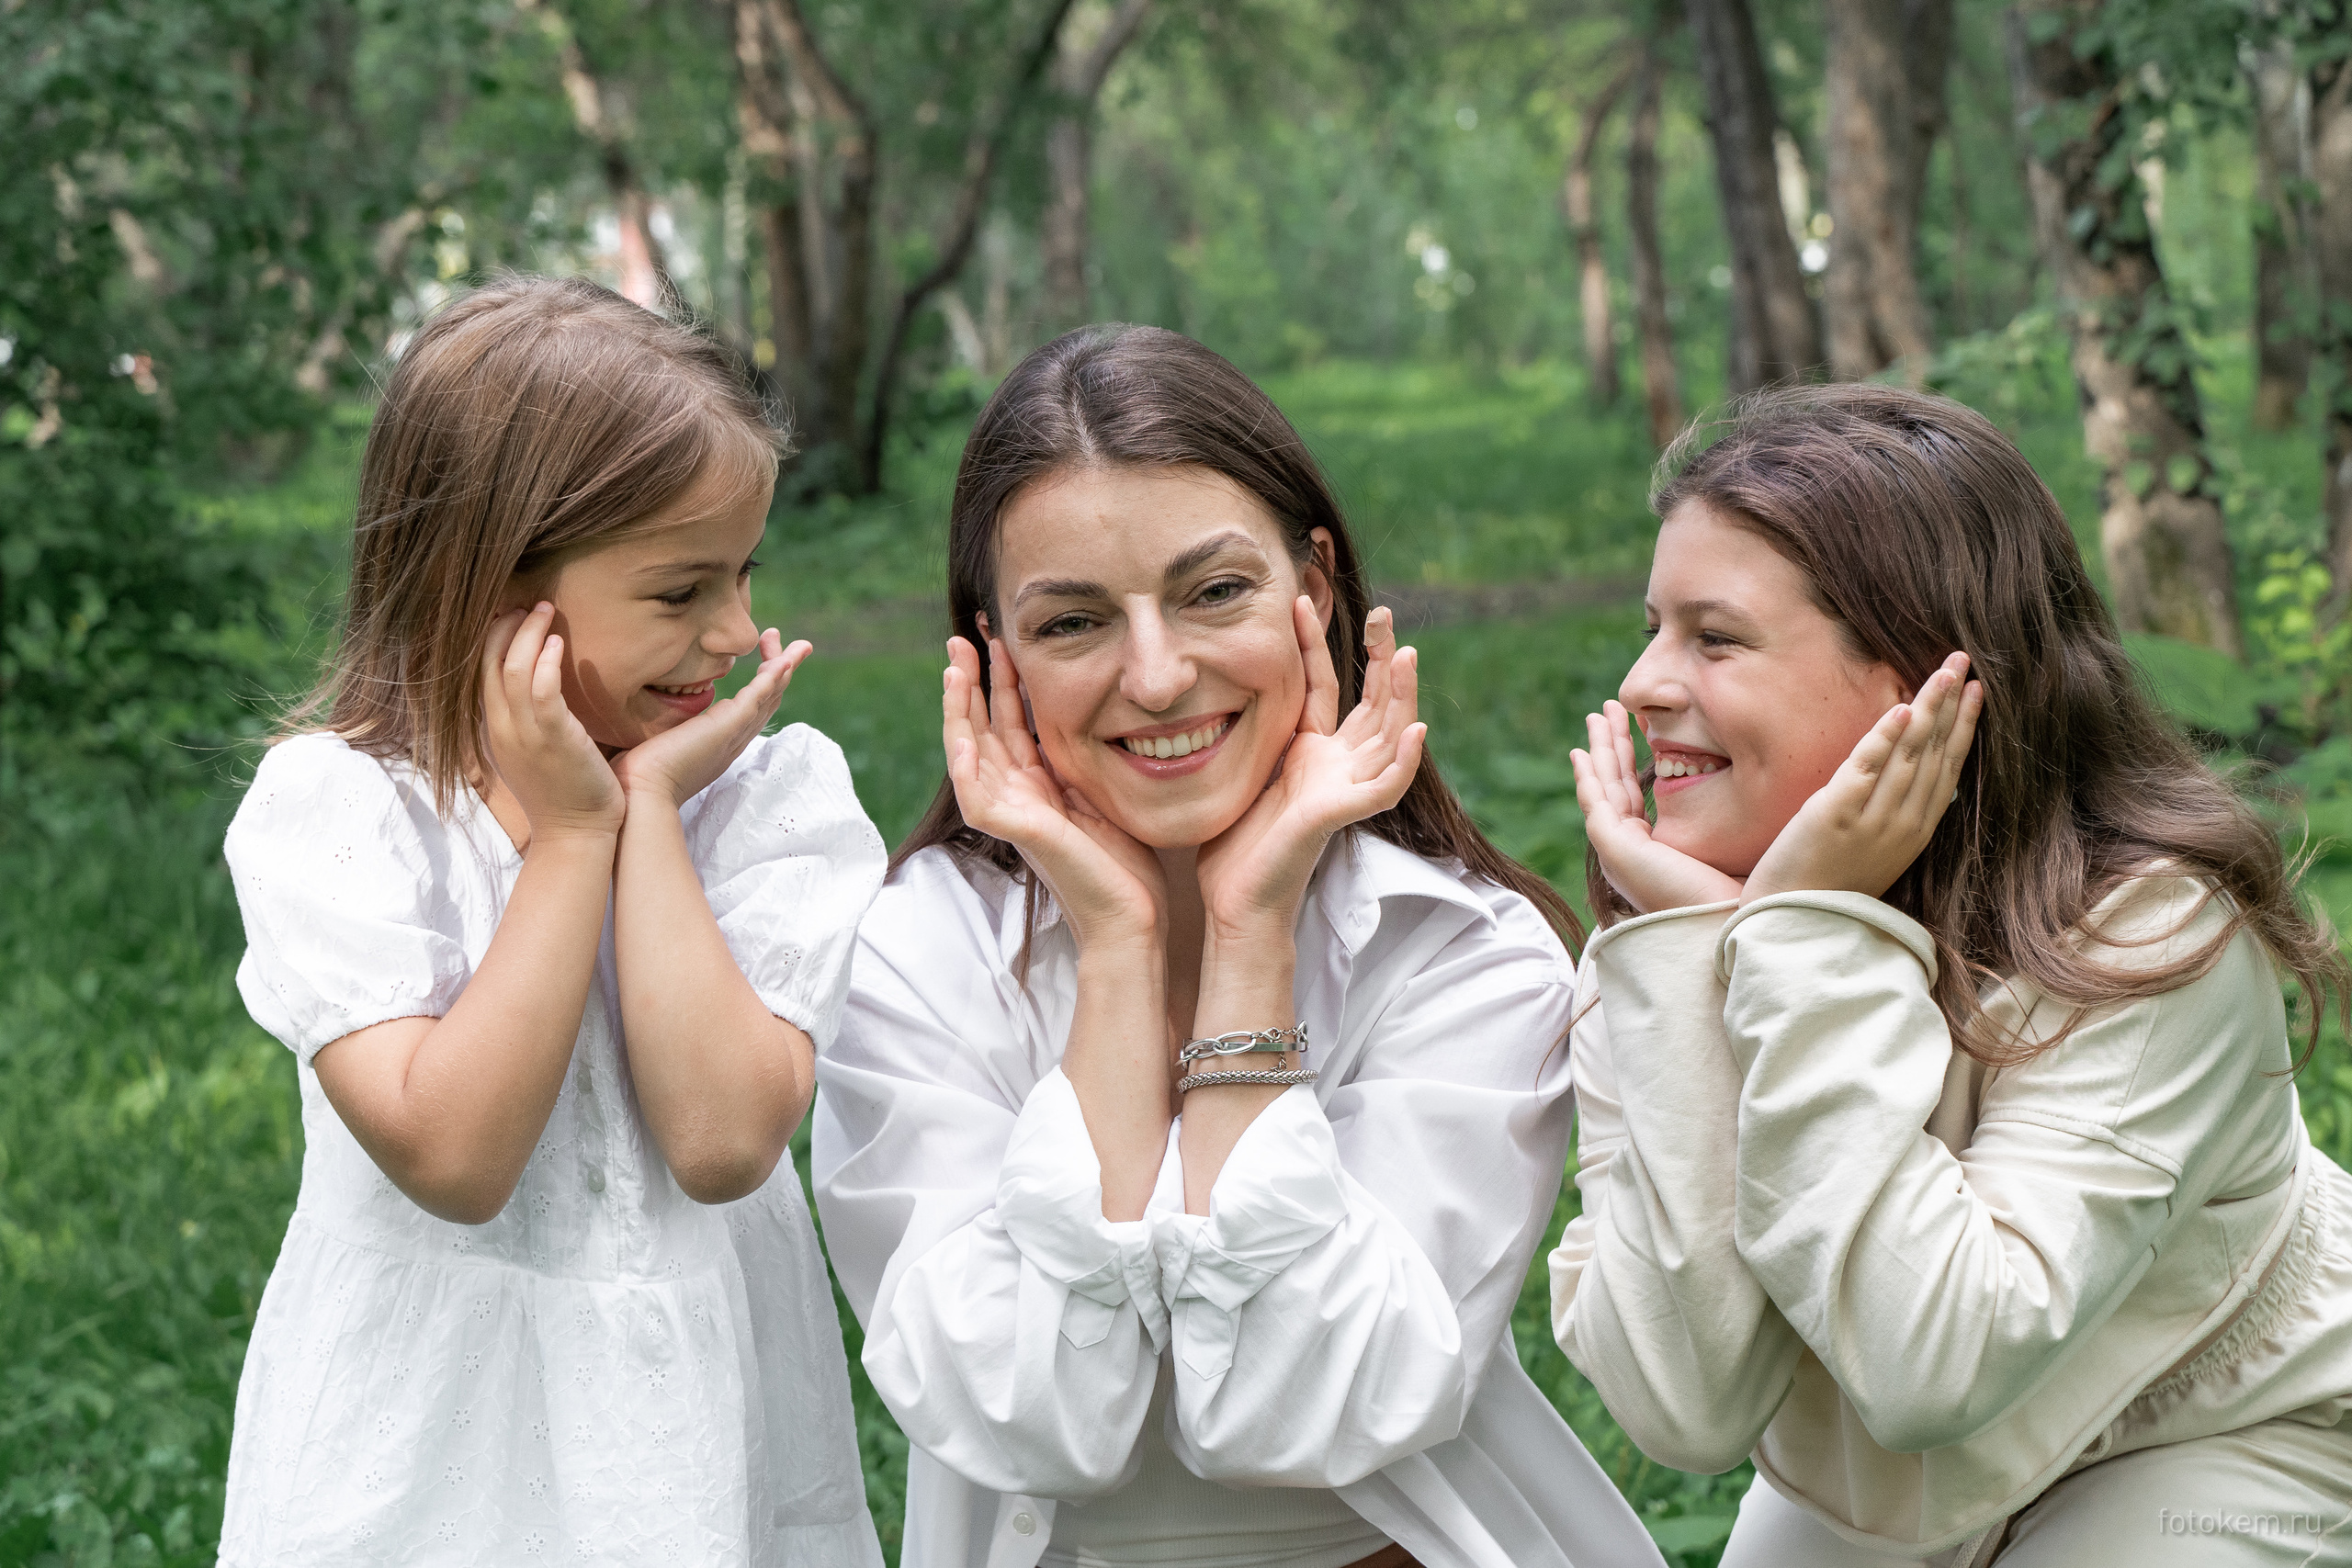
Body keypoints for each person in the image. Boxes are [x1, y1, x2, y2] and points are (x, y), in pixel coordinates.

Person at [812, 324, 1666, 1568]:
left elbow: (1306, 1411)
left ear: (1313, 591)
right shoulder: (917, 955)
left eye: (1215, 592)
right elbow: (1028, 1420)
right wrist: (1116, 948)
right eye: (1073, 622)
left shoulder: (1462, 954)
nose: (1158, 677)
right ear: (994, 653)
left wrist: (1250, 929)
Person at [1551, 382, 2352, 1566]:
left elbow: (1931, 1360)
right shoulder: (1668, 929)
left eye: (1715, 638)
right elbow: (1684, 1406)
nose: (1642, 685)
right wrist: (1698, 958)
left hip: (2212, 1422)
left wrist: (1804, 939)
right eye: (1655, 627)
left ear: (1925, 681)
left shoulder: (2150, 933)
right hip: (1883, 1474)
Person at [217, 276, 887, 1567]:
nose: (737, 632)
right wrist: (577, 838)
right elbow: (455, 1156)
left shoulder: (763, 808)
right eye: (680, 591)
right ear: (490, 589)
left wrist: (649, 815)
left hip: (689, 1453)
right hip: (418, 1467)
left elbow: (723, 1142)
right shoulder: (344, 816)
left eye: (744, 573)